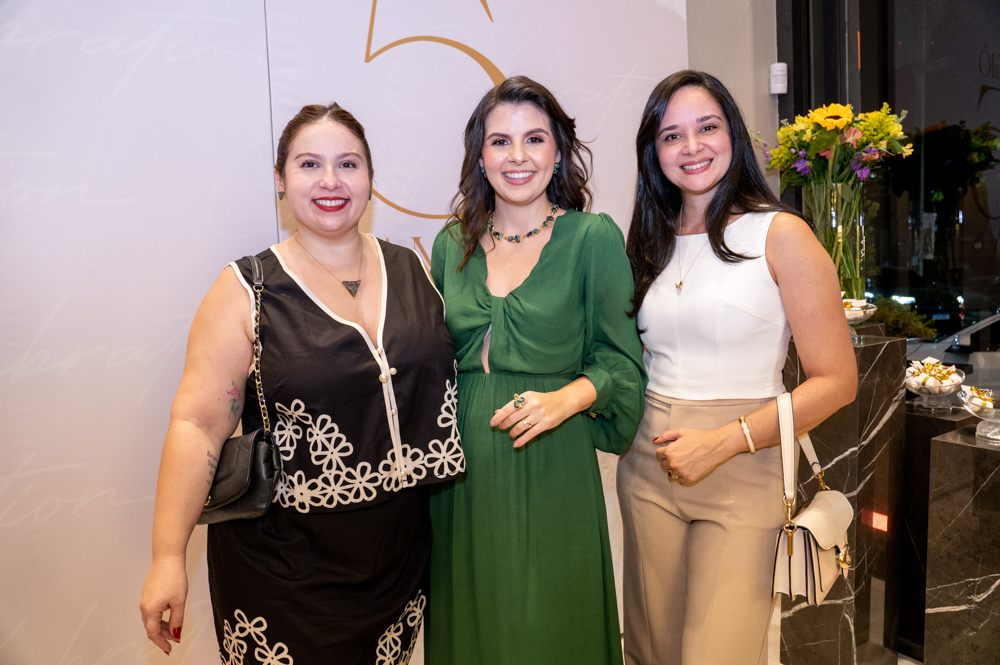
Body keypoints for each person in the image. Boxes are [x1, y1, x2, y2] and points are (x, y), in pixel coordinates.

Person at [138, 103, 464, 664]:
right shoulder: (247, 288)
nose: (331, 182)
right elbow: (197, 427)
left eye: (349, 164)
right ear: (281, 181)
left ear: (370, 178)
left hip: (397, 561)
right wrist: (168, 557)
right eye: (310, 164)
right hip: (282, 570)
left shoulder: (416, 269)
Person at [617, 70, 858, 665]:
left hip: (746, 463)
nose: (691, 146)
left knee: (716, 653)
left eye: (707, 127)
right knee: (651, 649)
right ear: (654, 150)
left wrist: (723, 442)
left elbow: (838, 381)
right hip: (648, 464)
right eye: (672, 135)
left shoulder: (782, 234)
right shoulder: (648, 239)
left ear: (734, 135)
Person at [425, 76, 646, 665]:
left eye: (534, 139)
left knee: (550, 627)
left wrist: (566, 399)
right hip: (462, 473)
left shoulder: (591, 238)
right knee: (473, 628)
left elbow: (621, 365)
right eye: (500, 141)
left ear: (558, 152)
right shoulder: (451, 245)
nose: (517, 156)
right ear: (480, 154)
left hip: (553, 465)